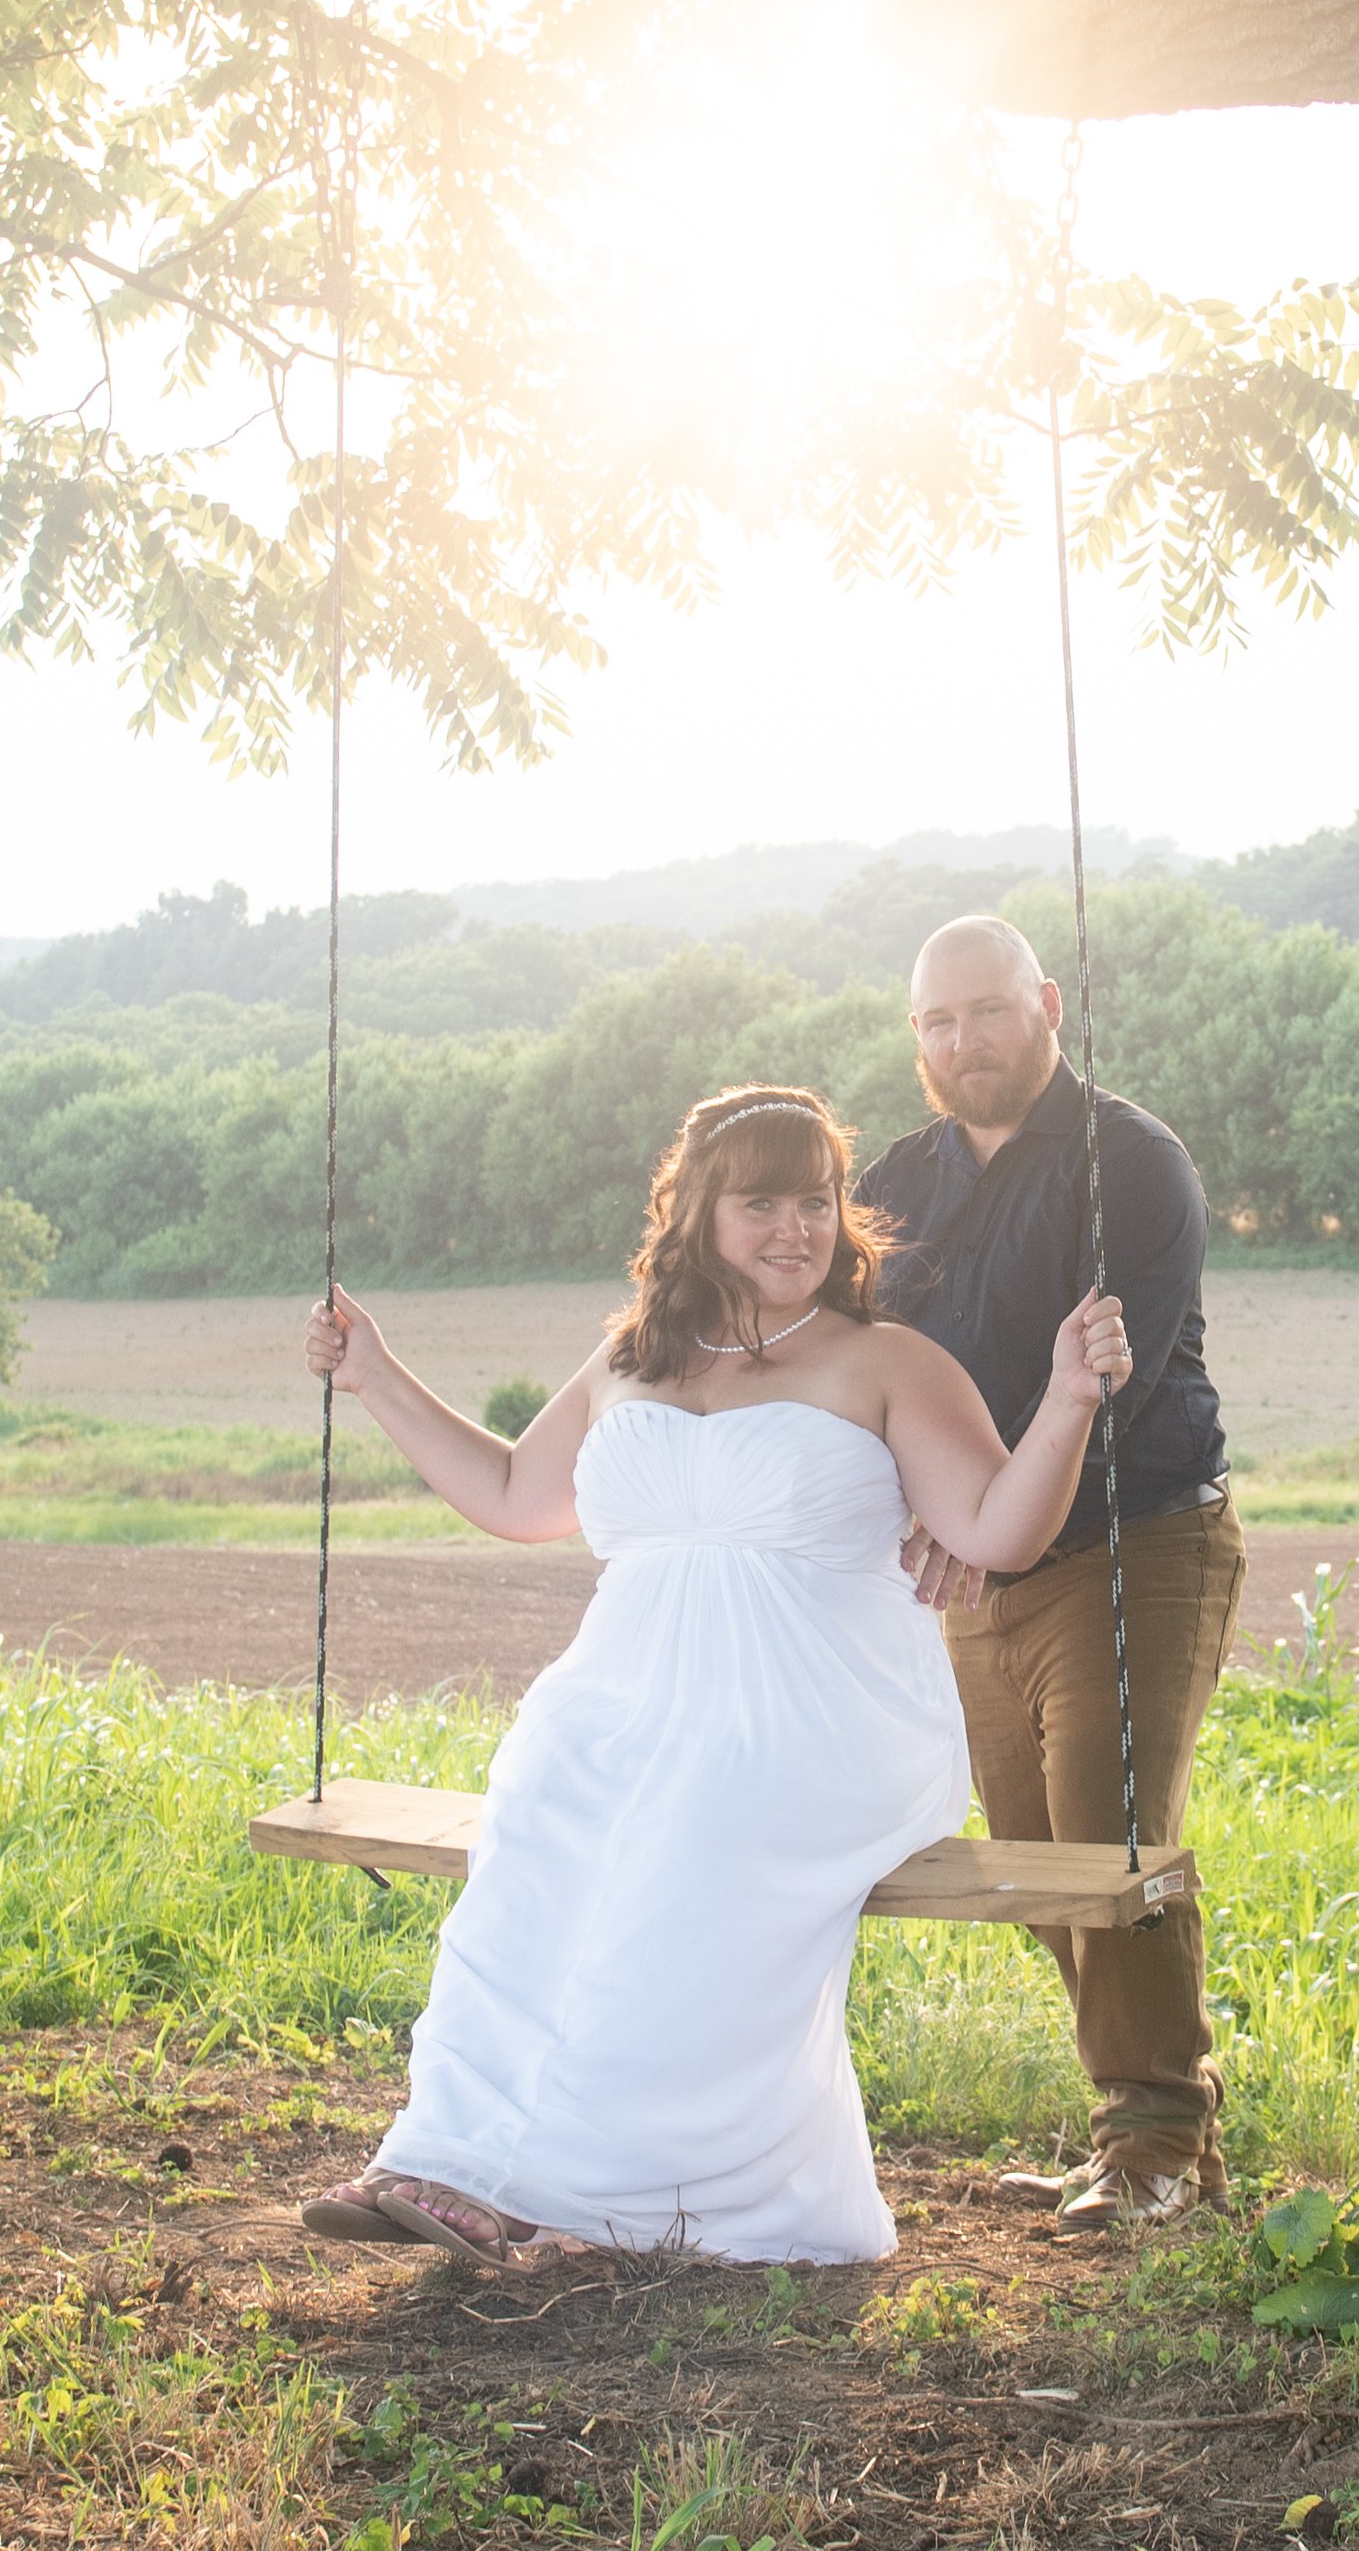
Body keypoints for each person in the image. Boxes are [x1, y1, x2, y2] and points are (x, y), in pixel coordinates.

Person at [293, 1081, 1134, 2269]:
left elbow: (997, 1528)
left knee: (687, 1826)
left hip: (817, 1717)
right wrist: (374, 1374)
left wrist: (1067, 1398)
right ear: (696, 1212)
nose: (796, 1226)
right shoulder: (631, 1355)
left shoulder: (887, 1360)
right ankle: (447, 2156)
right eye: (761, 1203)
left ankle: (572, 2184)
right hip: (625, 1700)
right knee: (534, 1829)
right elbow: (512, 1497)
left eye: (817, 1199)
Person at [858, 917, 1245, 2232]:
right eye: (935, 1021)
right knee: (1033, 1864)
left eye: (985, 1010)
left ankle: (1147, 2145)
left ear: (1048, 1005)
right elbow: (867, 1366)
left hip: (1134, 1539)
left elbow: (1105, 1388)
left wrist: (975, 1515)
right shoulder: (892, 1182)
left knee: (1101, 1839)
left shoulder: (1126, 1163)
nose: (961, 1042)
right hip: (979, 1566)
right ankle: (1166, 2135)